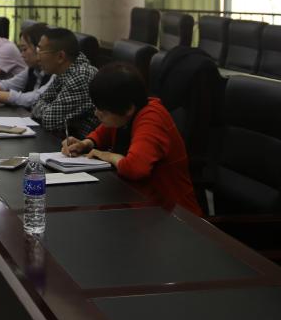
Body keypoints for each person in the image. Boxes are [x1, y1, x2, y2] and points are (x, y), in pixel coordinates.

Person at [61, 63, 203, 215]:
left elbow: (135, 168)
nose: (96, 114)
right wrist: (85, 144)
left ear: (129, 108)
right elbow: (105, 131)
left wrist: (107, 155)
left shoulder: (152, 119)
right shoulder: (124, 113)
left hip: (175, 215)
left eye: (103, 111)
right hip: (139, 203)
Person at [30, 28, 99, 135]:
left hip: (82, 143)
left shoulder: (81, 75)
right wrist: (46, 108)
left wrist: (45, 108)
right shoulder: (64, 72)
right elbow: (36, 103)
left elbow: (49, 120)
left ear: (60, 57)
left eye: (41, 51)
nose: (38, 58)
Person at [0, 22, 54, 109]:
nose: (21, 55)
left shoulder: (55, 74)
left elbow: (32, 99)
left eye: (24, 49)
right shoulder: (32, 70)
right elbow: (8, 84)